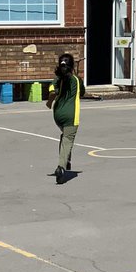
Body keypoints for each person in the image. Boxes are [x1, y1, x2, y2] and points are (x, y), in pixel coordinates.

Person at [47, 53, 85, 185]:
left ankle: (66, 159)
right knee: (68, 140)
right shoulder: (77, 80)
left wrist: (49, 102)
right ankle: (61, 167)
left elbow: (52, 90)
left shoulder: (58, 79)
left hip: (57, 114)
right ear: (72, 66)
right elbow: (82, 93)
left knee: (64, 137)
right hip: (70, 115)